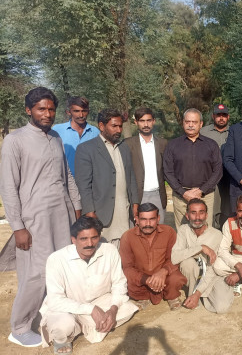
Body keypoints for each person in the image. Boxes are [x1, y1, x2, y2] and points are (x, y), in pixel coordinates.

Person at [0, 87, 81, 347]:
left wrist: (76, 208)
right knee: (35, 273)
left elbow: (66, 176)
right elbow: (8, 187)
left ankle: (49, 316)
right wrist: (18, 227)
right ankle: (20, 326)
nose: (47, 114)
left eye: (51, 109)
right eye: (41, 109)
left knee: (61, 268)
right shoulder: (15, 140)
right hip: (33, 219)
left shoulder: (56, 137)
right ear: (28, 110)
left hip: (62, 214)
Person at [39, 216, 138, 353]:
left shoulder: (109, 250)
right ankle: (66, 336)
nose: (90, 243)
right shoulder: (56, 259)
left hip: (100, 301)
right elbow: (55, 300)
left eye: (94, 237)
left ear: (99, 236)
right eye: (83, 239)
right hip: (67, 307)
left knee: (127, 308)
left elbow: (119, 283)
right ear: (73, 240)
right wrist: (91, 309)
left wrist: (113, 309)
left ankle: (82, 326)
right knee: (63, 325)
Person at [74, 109, 139, 245]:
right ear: (102, 126)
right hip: (102, 214)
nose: (118, 130)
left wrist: (135, 204)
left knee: (125, 251)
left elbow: (131, 177)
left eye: (120, 126)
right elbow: (83, 185)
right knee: (103, 254)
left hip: (124, 212)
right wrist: (90, 212)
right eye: (114, 126)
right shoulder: (86, 149)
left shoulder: (124, 147)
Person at [119, 203, 187, 311]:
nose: (148, 224)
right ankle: (143, 297)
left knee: (176, 278)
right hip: (141, 278)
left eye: (152, 219)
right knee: (125, 277)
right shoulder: (127, 237)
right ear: (136, 219)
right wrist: (145, 279)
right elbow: (127, 267)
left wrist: (163, 272)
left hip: (163, 277)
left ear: (158, 219)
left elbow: (174, 258)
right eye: (143, 219)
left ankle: (171, 296)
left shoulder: (169, 232)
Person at [164, 108, 222, 231]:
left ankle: (204, 250)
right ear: (183, 123)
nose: (190, 125)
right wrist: (183, 192)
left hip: (205, 196)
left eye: (194, 122)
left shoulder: (211, 145)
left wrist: (202, 190)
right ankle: (185, 251)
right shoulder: (172, 145)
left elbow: (218, 171)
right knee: (183, 231)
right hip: (181, 197)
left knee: (205, 230)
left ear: (201, 124)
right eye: (187, 121)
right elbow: (168, 172)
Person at [171, 199, 232, 313]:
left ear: (206, 215)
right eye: (193, 213)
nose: (197, 217)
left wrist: (199, 292)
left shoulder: (216, 235)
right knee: (187, 263)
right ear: (187, 215)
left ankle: (197, 294)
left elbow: (213, 268)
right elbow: (175, 257)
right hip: (194, 272)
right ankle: (194, 296)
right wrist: (201, 248)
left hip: (212, 275)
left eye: (201, 212)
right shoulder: (183, 230)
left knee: (221, 308)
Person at [124, 108, 168, 224]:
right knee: (137, 230)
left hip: (157, 194)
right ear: (136, 122)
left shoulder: (163, 143)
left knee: (158, 228)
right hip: (136, 195)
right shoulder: (127, 144)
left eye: (149, 120)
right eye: (142, 121)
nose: (146, 124)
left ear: (154, 121)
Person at [201, 103, 231, 228]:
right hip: (210, 176)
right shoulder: (203, 132)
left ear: (228, 117)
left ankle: (226, 234)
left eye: (224, 115)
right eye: (218, 115)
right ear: (213, 116)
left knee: (227, 207)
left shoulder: (234, 132)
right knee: (212, 206)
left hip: (229, 176)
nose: (221, 118)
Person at [52, 96, 99, 175]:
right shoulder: (57, 130)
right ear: (69, 112)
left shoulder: (95, 132)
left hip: (89, 182)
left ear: (88, 111)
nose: (81, 115)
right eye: (76, 111)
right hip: (64, 181)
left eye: (84, 111)